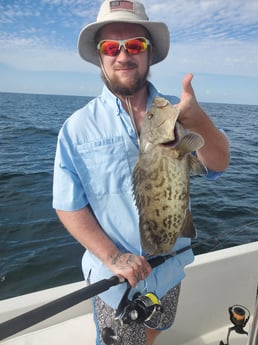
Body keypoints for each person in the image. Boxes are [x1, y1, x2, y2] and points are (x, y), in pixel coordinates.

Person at [53, 1, 229, 344]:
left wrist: (197, 119)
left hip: (171, 271)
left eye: (134, 45)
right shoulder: (75, 129)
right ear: (100, 56)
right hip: (116, 283)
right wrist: (114, 257)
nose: (123, 55)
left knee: (152, 333)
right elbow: (66, 205)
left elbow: (219, 164)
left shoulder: (176, 113)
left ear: (148, 54)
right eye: (111, 47)